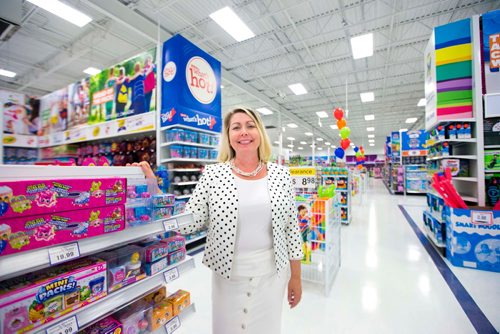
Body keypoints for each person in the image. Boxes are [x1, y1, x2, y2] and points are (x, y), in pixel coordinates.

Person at [183, 107, 303, 334]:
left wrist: (296, 276)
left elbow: (292, 230)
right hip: (227, 277)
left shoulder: (281, 175)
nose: (244, 132)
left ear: (260, 132)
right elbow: (190, 222)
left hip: (271, 276)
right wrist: (155, 193)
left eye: (250, 125)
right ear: (228, 136)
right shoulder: (213, 175)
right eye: (236, 127)